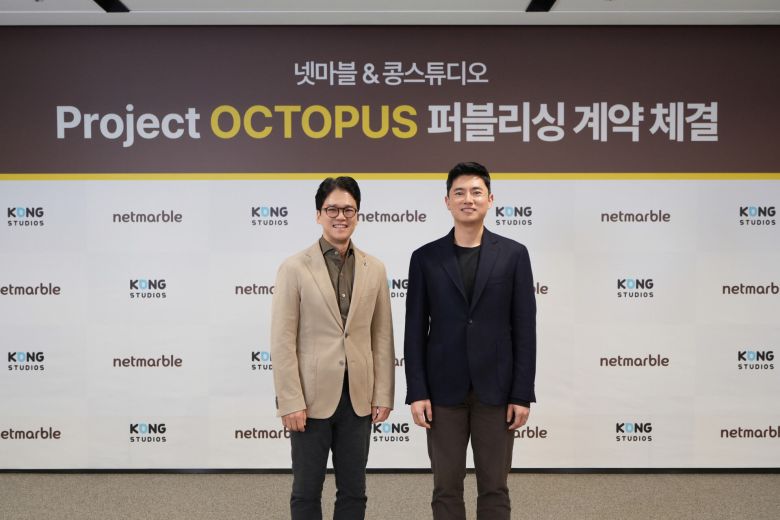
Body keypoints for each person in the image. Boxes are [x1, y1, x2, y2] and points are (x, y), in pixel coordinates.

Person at [404, 162, 537, 520]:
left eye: (476, 192)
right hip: (442, 391)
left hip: (497, 391)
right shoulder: (425, 258)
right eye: (459, 192)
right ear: (447, 201)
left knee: (494, 487)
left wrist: (521, 394)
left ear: (490, 199)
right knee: (445, 487)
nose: (468, 199)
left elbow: (525, 330)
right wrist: (417, 391)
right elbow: (414, 331)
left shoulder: (514, 255)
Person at [271, 176, 395, 520]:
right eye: (332, 209)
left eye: (348, 210)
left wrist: (383, 393)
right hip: (309, 401)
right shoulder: (294, 268)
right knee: (306, 491)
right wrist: (290, 400)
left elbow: (382, 336)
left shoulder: (375, 268)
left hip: (358, 399)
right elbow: (282, 340)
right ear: (318, 214)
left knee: (354, 491)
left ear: (358, 215)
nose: (341, 216)